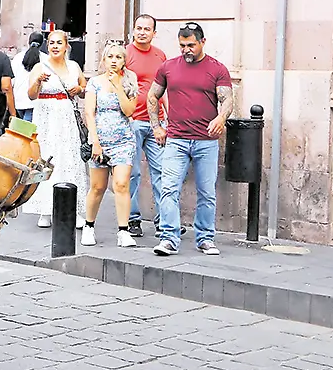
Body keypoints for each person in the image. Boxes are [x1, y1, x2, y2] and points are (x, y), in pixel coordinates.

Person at [148, 22, 233, 258]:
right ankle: (168, 239)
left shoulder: (217, 69)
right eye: (182, 45)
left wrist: (221, 118)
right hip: (175, 139)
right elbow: (152, 95)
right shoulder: (168, 67)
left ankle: (205, 238)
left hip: (206, 141)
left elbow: (227, 100)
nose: (186, 49)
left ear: (202, 42)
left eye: (191, 45)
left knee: (207, 192)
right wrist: (156, 126)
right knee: (168, 189)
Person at [22, 29, 88, 228]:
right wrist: (38, 82)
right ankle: (45, 210)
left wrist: (79, 90)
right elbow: (31, 95)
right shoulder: (39, 67)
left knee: (70, 159)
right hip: (46, 118)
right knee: (47, 158)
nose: (55, 46)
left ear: (66, 46)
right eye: (51, 43)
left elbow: (85, 90)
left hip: (67, 118)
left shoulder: (74, 67)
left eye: (59, 43)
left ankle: (74, 209)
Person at [81, 41, 139, 248]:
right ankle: (89, 226)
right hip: (100, 140)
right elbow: (89, 112)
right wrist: (95, 141)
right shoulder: (95, 82)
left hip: (123, 140)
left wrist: (118, 87)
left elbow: (129, 111)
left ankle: (123, 231)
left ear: (124, 60)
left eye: (118, 57)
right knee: (97, 187)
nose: (114, 61)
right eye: (110, 57)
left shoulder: (130, 80)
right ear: (104, 60)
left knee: (122, 184)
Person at [125, 14, 169, 239]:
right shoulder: (125, 54)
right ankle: (132, 220)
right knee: (132, 173)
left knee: (161, 171)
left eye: (147, 29)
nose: (142, 32)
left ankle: (164, 221)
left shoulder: (160, 55)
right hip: (131, 121)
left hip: (156, 123)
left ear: (154, 33)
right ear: (133, 30)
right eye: (138, 28)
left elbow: (165, 89)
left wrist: (167, 118)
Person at [13, 31, 45, 122]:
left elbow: (12, 81)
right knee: (26, 134)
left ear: (29, 42)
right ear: (42, 44)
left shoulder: (17, 58)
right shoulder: (45, 59)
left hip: (18, 101)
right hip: (34, 103)